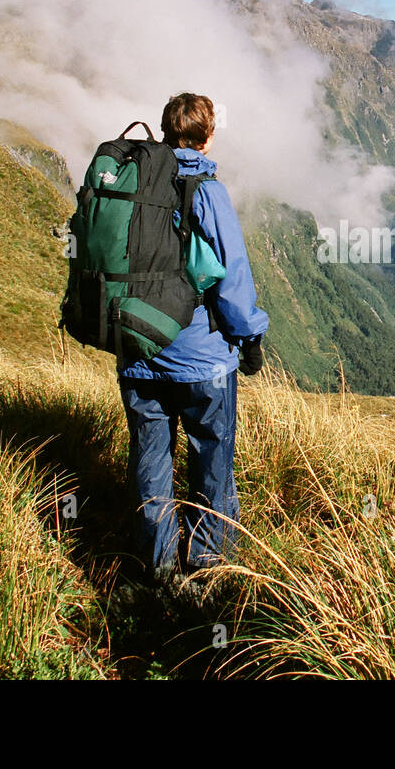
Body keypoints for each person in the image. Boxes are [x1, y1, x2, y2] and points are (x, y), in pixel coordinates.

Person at [118, 92, 268, 583]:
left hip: (138, 354)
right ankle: (205, 572)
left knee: (150, 461)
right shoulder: (207, 190)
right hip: (202, 361)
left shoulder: (134, 181)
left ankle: (156, 570)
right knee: (211, 462)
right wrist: (249, 337)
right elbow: (231, 276)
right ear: (207, 136)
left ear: (164, 132)